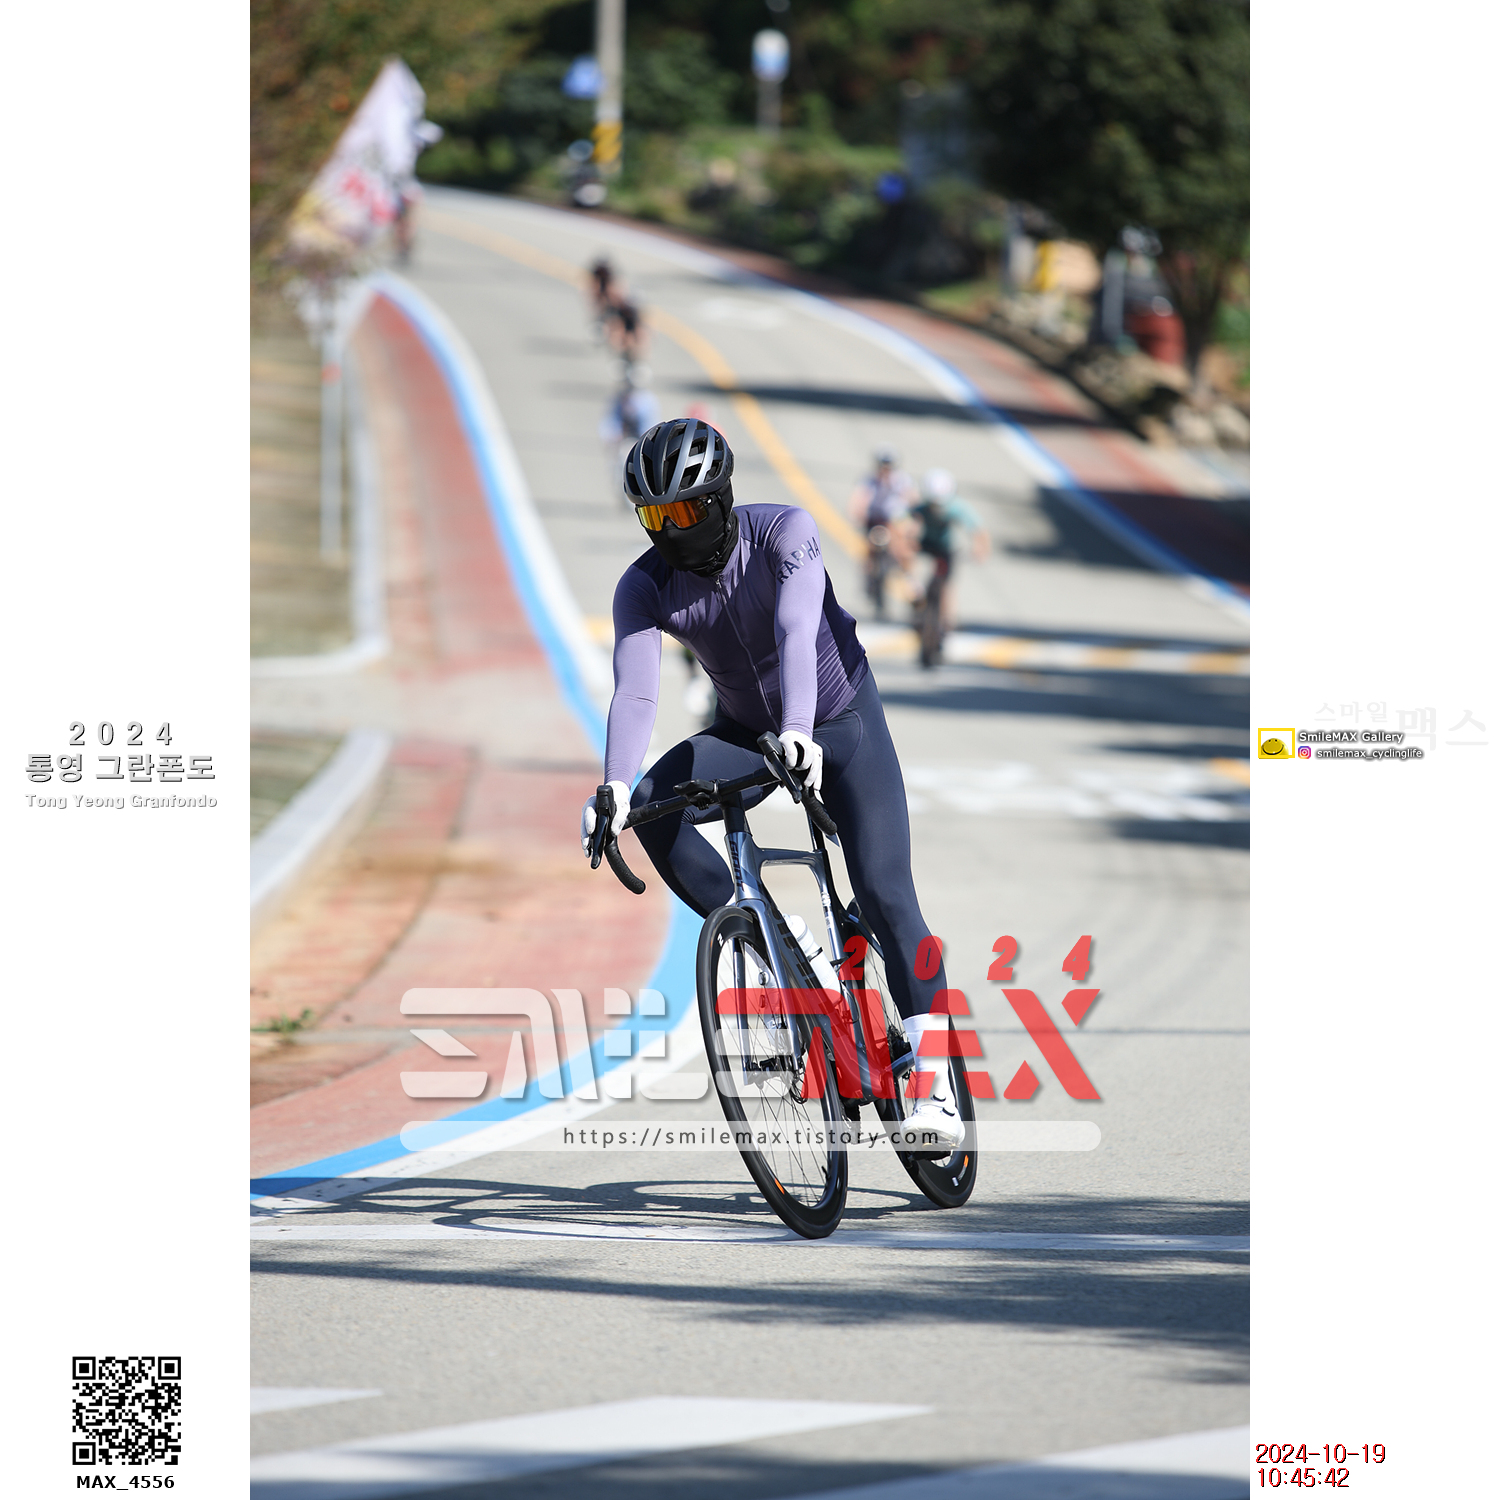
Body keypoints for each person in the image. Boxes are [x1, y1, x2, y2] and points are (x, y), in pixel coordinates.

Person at [580, 418, 964, 1147]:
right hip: (745, 734)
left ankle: (937, 1087)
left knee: (884, 892)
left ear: (719, 500)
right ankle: (781, 944)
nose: (670, 530)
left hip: (839, 722)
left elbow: (795, 630)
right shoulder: (644, 585)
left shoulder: (785, 532)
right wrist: (615, 787)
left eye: (683, 511)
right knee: (652, 810)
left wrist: (798, 727)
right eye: (654, 517)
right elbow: (636, 691)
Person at [903, 468, 988, 667]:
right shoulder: (921, 508)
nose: (937, 508)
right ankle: (914, 589)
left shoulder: (956, 507)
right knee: (910, 559)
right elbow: (905, 522)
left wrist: (979, 549)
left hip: (946, 550)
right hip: (926, 546)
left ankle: (946, 623)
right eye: (933, 504)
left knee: (946, 586)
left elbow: (978, 529)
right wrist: (907, 537)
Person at [847, 448, 915, 619]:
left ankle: (910, 578)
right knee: (870, 549)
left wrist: (911, 517)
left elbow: (913, 499)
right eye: (882, 466)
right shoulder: (869, 480)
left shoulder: (901, 480)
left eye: (888, 466)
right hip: (875, 520)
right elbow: (860, 498)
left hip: (895, 520)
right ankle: (869, 578)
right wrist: (858, 514)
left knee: (903, 548)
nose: (885, 469)